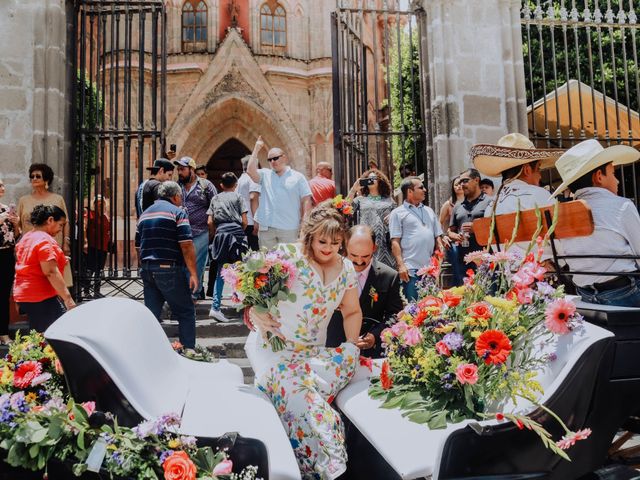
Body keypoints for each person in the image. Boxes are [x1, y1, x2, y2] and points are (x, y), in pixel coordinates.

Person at [245, 203, 367, 479]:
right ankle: (324, 471)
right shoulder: (286, 258)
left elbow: (351, 310)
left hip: (313, 355)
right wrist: (256, 312)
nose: (328, 248)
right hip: (275, 352)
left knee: (358, 371)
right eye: (322, 241)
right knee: (310, 411)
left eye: (336, 243)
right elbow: (249, 296)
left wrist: (351, 344)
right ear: (309, 236)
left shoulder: (347, 269)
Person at [550, 139, 640, 307]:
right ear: (599, 176)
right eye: (613, 174)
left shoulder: (560, 214)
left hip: (584, 295)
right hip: (625, 293)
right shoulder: (621, 206)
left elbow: (563, 260)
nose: (618, 181)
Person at [472, 132, 563, 258]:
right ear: (527, 170)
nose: (540, 176)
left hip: (509, 273)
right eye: (538, 169)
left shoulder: (491, 206)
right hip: (545, 271)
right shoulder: (539, 195)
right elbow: (562, 242)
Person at [135, 181, 198, 349]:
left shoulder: (144, 214)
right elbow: (186, 245)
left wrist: (146, 266)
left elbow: (138, 247)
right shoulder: (177, 213)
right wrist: (193, 274)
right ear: (176, 196)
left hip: (148, 269)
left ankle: (148, 352)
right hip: (168, 268)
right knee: (185, 312)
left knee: (151, 317)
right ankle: (188, 352)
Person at [326, 225, 403, 358]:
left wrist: (375, 335)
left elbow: (395, 315)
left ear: (374, 248)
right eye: (354, 255)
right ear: (345, 247)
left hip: (370, 353)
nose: (359, 261)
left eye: (366, 256)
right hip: (334, 347)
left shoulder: (389, 276)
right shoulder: (329, 272)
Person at [13, 205, 75, 332]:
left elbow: (31, 262)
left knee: (38, 337)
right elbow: (50, 272)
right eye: (60, 225)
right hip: (40, 295)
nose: (60, 229)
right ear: (50, 220)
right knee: (57, 334)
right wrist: (68, 299)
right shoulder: (44, 240)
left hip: (24, 293)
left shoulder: (27, 237)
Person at [247, 136, 312, 249]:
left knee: (289, 263)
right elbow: (250, 170)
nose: (272, 161)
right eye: (270, 159)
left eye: (275, 158)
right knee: (267, 264)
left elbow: (306, 199)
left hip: (289, 228)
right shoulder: (265, 174)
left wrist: (305, 222)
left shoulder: (297, 177)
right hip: (267, 228)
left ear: (284, 158)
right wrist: (256, 149)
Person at [389, 177, 446, 302]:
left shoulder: (429, 211)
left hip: (429, 268)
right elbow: (395, 242)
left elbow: (438, 236)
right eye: (421, 187)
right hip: (411, 269)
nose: (425, 190)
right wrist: (401, 266)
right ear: (410, 191)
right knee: (413, 308)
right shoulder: (397, 213)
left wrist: (438, 257)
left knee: (432, 307)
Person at [18, 164, 72, 287]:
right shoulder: (23, 200)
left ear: (46, 179)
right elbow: (19, 224)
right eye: (32, 176)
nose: (34, 179)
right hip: (30, 247)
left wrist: (66, 242)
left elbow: (65, 222)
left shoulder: (57, 199)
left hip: (52, 245)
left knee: (54, 279)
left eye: (38, 176)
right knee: (34, 281)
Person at [174, 156, 217, 300]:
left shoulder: (206, 185)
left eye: (182, 169)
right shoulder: (177, 187)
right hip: (181, 232)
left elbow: (215, 206)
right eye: (178, 169)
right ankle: (186, 291)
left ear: (191, 170)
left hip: (200, 232)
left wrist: (212, 230)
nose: (179, 172)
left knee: (197, 264)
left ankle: (193, 294)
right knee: (183, 264)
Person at [207, 172, 248, 322]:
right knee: (240, 270)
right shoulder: (239, 197)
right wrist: (239, 231)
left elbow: (210, 222)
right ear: (236, 185)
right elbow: (244, 220)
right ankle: (241, 304)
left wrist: (214, 234)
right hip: (236, 233)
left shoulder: (215, 198)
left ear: (221, 185)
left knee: (220, 271)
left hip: (221, 233)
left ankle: (215, 307)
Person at [447, 168, 492, 279]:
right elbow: (450, 230)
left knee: (487, 294)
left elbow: (498, 227)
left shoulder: (490, 202)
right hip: (463, 260)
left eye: (465, 181)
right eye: (460, 182)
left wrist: (477, 228)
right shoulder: (458, 205)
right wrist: (456, 236)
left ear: (476, 180)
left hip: (485, 260)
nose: (462, 185)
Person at [351, 168, 397, 268]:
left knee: (386, 273)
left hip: (385, 243)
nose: (371, 180)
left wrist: (393, 215)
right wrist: (354, 189)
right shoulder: (360, 200)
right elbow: (344, 207)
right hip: (366, 240)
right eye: (369, 179)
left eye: (374, 178)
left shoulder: (389, 200)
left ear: (380, 181)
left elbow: (398, 215)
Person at [0, 178, 19, 344]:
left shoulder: (7, 209)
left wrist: (17, 224)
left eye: (1, 185)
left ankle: (4, 334)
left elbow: (16, 236)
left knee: (4, 296)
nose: (1, 188)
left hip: (6, 256)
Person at [82, 195, 111, 298]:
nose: (100, 205)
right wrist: (85, 242)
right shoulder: (90, 214)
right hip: (92, 246)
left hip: (103, 247)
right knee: (90, 269)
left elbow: (108, 231)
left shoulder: (105, 217)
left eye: (102, 203)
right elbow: (84, 227)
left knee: (99, 270)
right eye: (97, 203)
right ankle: (86, 292)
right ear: (94, 204)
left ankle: (96, 292)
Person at [439, 176, 465, 285]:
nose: (459, 186)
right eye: (456, 185)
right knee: (457, 270)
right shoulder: (448, 204)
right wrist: (443, 236)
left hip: (469, 240)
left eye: (460, 183)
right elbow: (439, 222)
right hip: (454, 242)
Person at [236, 155, 260, 251]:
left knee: (244, 252)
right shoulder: (252, 179)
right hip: (251, 221)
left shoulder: (240, 180)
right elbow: (253, 197)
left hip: (242, 220)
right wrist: (256, 221)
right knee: (256, 254)